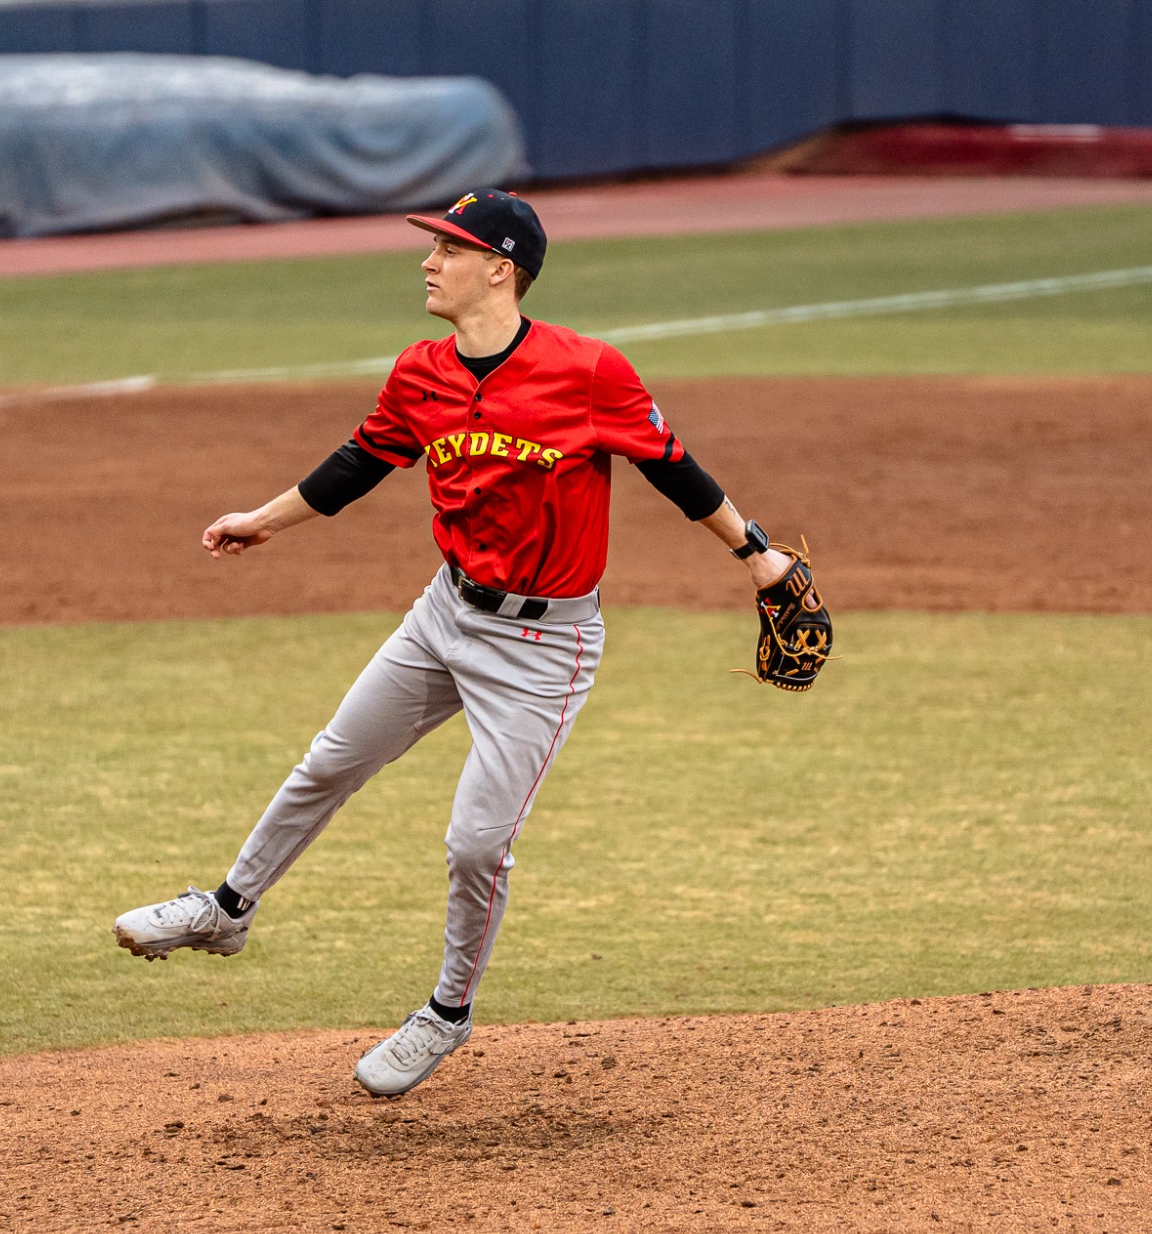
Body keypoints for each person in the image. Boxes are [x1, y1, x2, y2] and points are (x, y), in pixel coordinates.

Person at [114, 188, 797, 1097]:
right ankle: (225, 909)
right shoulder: (420, 370)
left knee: (476, 844)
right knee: (331, 760)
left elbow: (674, 468)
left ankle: (446, 1012)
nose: (429, 261)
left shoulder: (589, 371)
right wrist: (266, 521)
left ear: (500, 268)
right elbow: (363, 458)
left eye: (448, 248)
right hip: (444, 616)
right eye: (432, 246)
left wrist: (756, 556)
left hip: (543, 650)